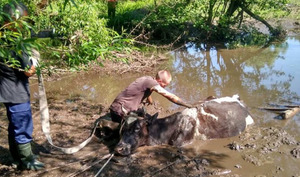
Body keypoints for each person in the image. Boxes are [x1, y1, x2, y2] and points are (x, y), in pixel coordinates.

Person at [0, 2, 45, 170]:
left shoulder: (1, 38)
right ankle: (27, 160)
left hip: (5, 91)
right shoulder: (18, 44)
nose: (25, 25)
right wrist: (36, 61)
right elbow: (29, 72)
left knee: (14, 126)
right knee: (23, 126)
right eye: (23, 21)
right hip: (17, 93)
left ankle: (16, 158)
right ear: (14, 21)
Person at [109, 70, 193, 123]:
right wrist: (187, 105)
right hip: (120, 111)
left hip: (116, 107)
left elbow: (148, 91)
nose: (164, 87)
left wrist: (150, 101)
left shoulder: (148, 79)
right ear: (159, 81)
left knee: (148, 118)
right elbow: (170, 96)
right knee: (144, 128)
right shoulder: (152, 83)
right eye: (165, 85)